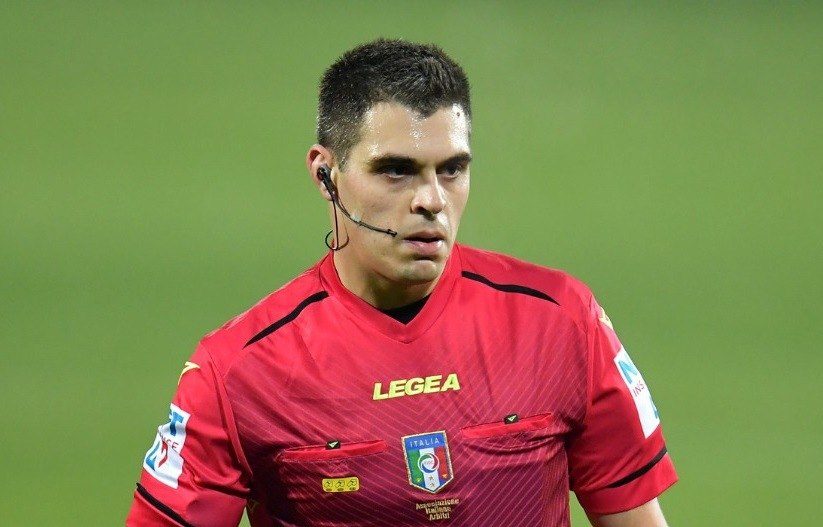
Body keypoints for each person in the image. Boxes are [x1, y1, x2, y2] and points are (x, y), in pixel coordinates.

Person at [126, 39, 677, 527]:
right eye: (396, 170)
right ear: (325, 175)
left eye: (452, 169)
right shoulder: (237, 373)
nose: (431, 200)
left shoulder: (560, 322)